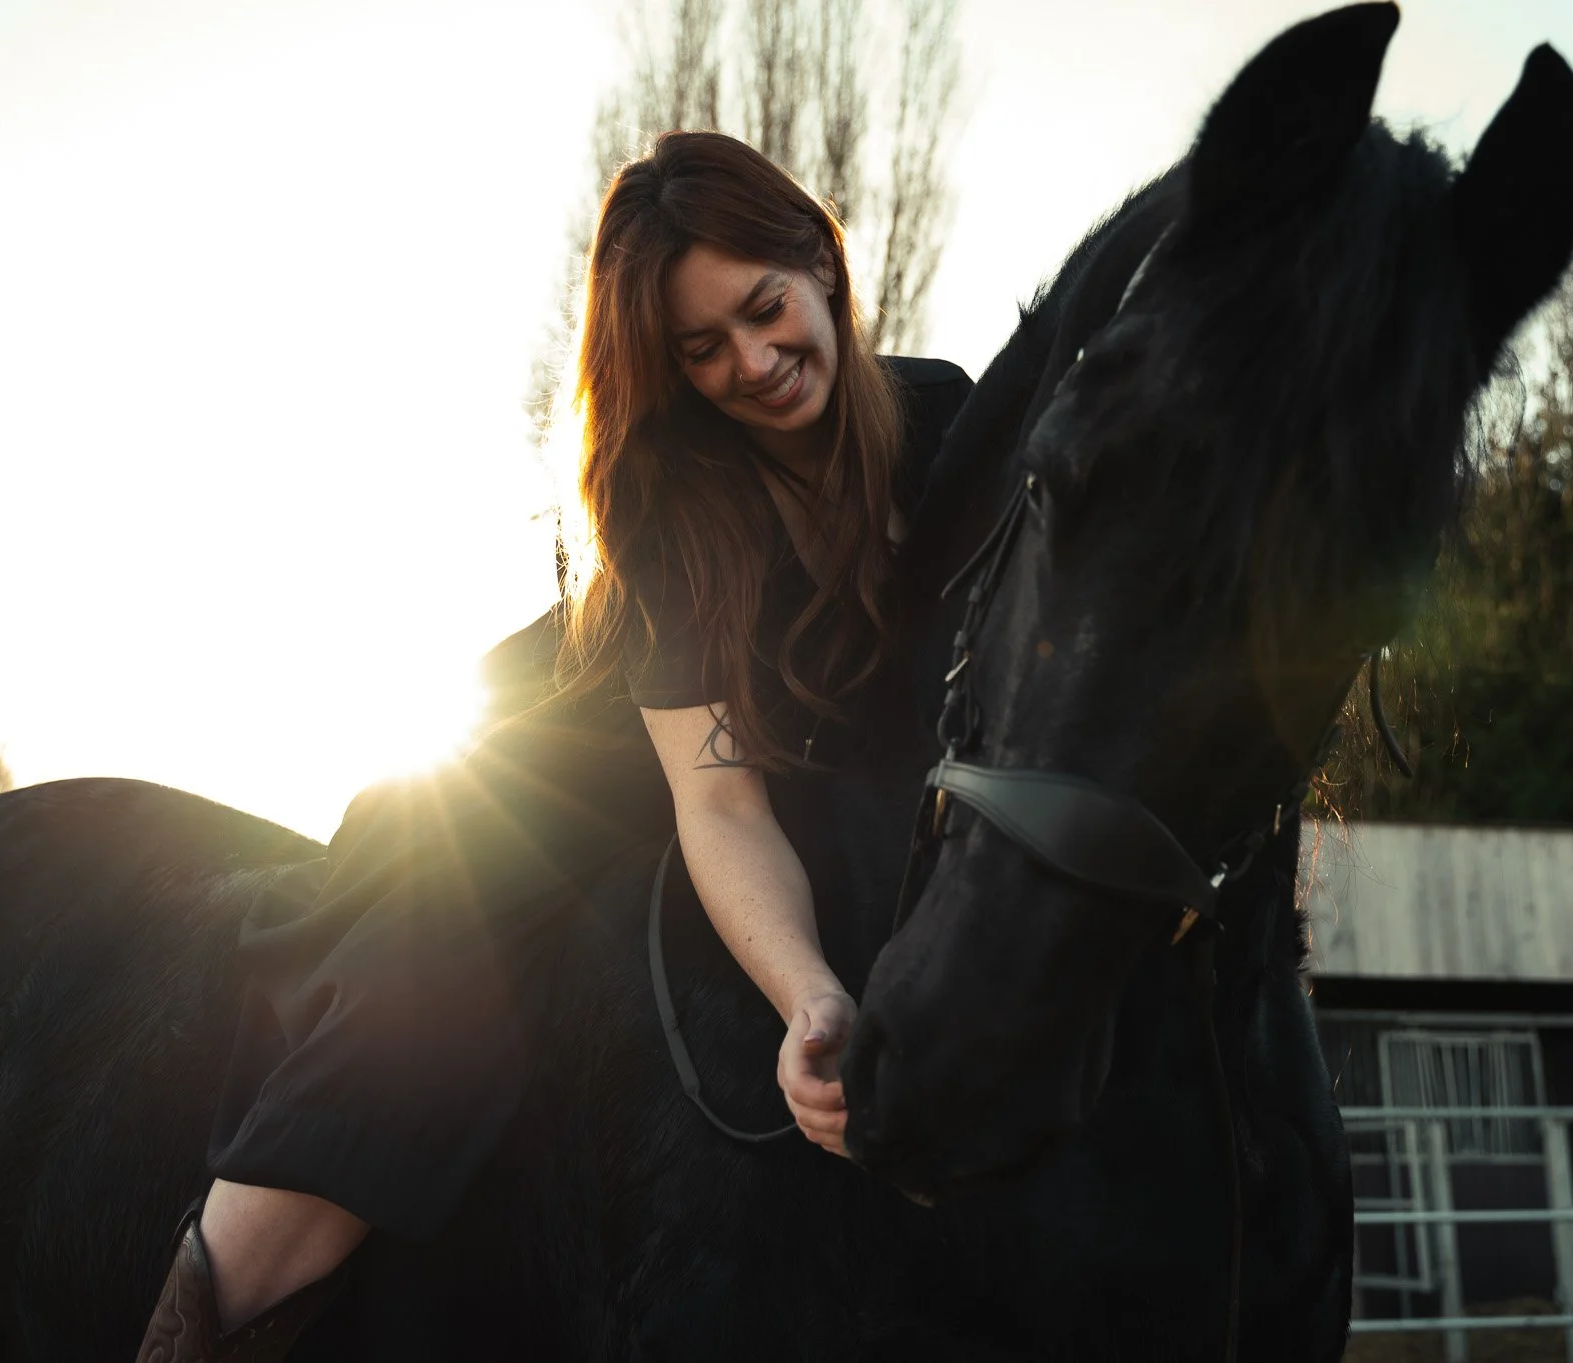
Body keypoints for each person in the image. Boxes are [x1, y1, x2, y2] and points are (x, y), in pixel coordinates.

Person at [133, 129, 972, 1361]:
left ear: (819, 263)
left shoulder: (943, 413)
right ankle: (208, 1307)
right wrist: (810, 998)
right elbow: (720, 801)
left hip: (789, 778)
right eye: (701, 349)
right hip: (547, 785)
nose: (751, 361)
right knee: (417, 1025)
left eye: (763, 309)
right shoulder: (669, 498)